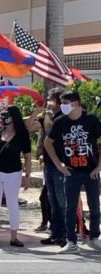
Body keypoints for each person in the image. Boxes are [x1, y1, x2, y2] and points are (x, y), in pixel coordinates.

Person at [45, 91, 101, 253]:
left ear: (75, 103)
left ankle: (94, 238)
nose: (62, 106)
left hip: (91, 171)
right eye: (61, 102)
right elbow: (48, 143)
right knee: (69, 208)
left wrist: (99, 167)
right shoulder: (60, 122)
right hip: (71, 171)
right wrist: (59, 165)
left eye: (65, 103)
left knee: (94, 206)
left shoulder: (91, 119)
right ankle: (71, 241)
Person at [0, 105, 31, 248]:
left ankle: (14, 237)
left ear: (14, 116)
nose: (4, 117)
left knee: (12, 204)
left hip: (14, 173)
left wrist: (27, 177)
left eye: (6, 114)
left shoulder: (22, 135)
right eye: (2, 114)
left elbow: (28, 157)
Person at [38, 88, 65, 244]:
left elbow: (49, 130)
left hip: (60, 164)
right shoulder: (51, 116)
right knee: (52, 201)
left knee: (62, 202)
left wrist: (48, 112)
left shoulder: (62, 117)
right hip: (49, 164)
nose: (48, 101)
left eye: (50, 99)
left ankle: (64, 234)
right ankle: (55, 233)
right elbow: (33, 127)